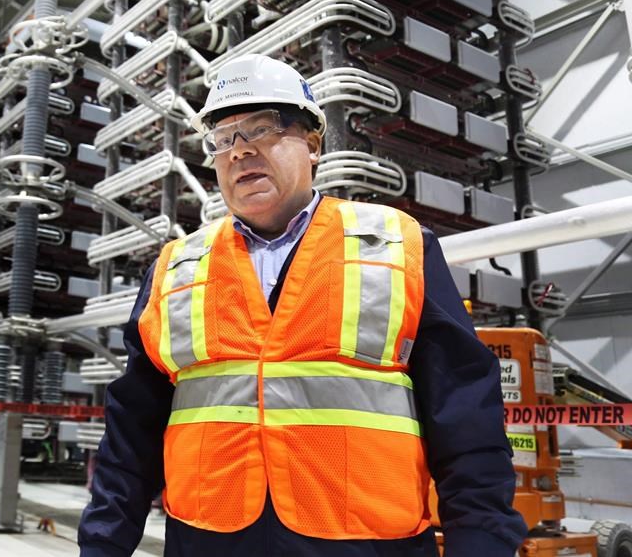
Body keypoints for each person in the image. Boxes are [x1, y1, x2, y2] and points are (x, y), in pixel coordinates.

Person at [78, 54, 528, 557]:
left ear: (313, 144)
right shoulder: (178, 267)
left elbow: (466, 416)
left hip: (366, 547)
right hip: (208, 543)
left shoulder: (393, 244)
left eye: (261, 129)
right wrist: (102, 546)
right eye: (222, 140)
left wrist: (482, 544)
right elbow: (131, 433)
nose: (239, 152)